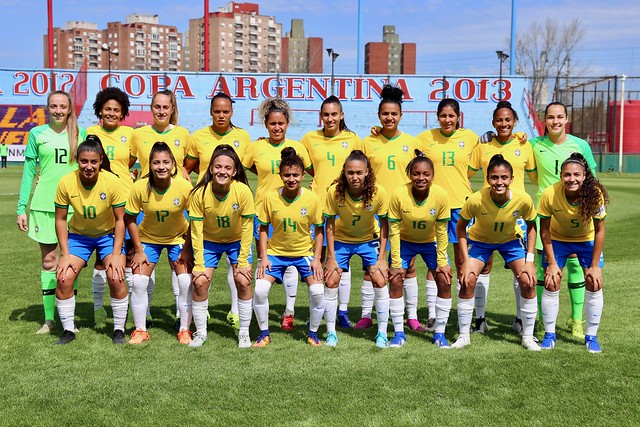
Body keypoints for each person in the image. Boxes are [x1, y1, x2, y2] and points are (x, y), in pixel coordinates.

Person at [16, 90, 85, 334]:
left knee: (71, 263)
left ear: (69, 109)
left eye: (62, 106)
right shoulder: (36, 134)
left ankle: (70, 319)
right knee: (49, 261)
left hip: (73, 208)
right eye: (53, 106)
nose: (58, 111)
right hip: (44, 206)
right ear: (48, 108)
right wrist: (21, 208)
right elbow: (28, 173)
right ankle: (49, 320)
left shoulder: (80, 134)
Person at [455, 154, 540, 351]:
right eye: (494, 177)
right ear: (488, 178)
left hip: (510, 241)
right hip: (480, 242)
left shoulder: (523, 199)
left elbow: (532, 225)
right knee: (467, 279)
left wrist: (530, 259)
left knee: (527, 280)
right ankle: (464, 336)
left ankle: (528, 336)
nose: (499, 182)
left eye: (504, 178)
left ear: (511, 179)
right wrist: (466, 261)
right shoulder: (476, 199)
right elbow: (460, 228)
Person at [242, 97, 312, 331]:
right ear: (266, 124)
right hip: (264, 211)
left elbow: (310, 170)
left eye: (281, 123)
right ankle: (262, 311)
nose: (277, 128)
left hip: (292, 211)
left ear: (287, 123)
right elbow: (249, 167)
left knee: (292, 262)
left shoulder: (298, 147)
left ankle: (289, 312)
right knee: (268, 262)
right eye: (272, 124)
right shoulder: (257, 146)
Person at [467, 101, 537, 334]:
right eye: (499, 120)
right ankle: (480, 320)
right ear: (493, 122)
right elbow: (463, 174)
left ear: (515, 121)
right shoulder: (484, 144)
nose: (504, 123)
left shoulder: (524, 144)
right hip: (488, 212)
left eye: (508, 120)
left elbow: (537, 176)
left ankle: (519, 319)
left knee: (520, 271)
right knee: (483, 267)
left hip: (516, 213)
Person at [530, 101, 598, 338]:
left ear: (566, 119)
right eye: (550, 117)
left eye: (559, 117)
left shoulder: (581, 145)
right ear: (544, 120)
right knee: (544, 269)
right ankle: (541, 319)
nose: (555, 121)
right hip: (547, 214)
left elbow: (593, 179)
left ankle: (576, 321)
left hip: (577, 214)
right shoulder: (533, 145)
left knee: (576, 268)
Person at [185, 92, 252, 331]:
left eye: (225, 111)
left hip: (233, 217)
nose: (221, 115)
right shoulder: (199, 137)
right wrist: (189, 186)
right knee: (200, 278)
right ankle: (199, 325)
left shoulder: (243, 137)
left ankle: (237, 315)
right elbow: (186, 168)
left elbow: (254, 165)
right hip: (208, 209)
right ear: (211, 112)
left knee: (241, 276)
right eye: (217, 111)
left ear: (231, 112)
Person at [52, 135, 128, 344]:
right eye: (84, 161)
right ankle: (68, 330)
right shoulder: (67, 181)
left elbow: (120, 220)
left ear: (101, 160)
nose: (88, 166)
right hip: (79, 236)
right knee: (64, 277)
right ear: (77, 159)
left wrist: (115, 254)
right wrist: (65, 255)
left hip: (108, 236)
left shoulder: (112, 181)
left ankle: (119, 329)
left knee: (116, 275)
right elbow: (60, 219)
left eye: (93, 161)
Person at [359, 84, 420, 331]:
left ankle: (412, 316)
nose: (389, 117)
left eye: (394, 114)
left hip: (404, 211)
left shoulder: (412, 144)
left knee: (409, 264)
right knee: (371, 265)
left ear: (401, 115)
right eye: (385, 113)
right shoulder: (368, 142)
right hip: (375, 211)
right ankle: (365, 314)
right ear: (379, 115)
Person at [130, 89, 192, 327]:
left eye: (166, 107)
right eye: (157, 106)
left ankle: (181, 315)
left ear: (173, 109)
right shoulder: (138, 135)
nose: (162, 111)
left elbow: (189, 165)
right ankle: (143, 315)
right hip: (148, 202)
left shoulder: (183, 134)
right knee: (145, 263)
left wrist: (185, 175)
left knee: (181, 270)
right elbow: (125, 162)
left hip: (176, 203)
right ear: (151, 108)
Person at [301, 95, 363, 329]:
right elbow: (308, 168)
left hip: (344, 207)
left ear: (341, 115)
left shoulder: (353, 139)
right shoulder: (310, 138)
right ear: (321, 116)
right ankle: (316, 311)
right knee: (316, 261)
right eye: (325, 115)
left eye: (334, 114)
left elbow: (361, 167)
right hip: (317, 206)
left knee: (340, 262)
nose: (330, 118)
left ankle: (343, 312)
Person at [253, 147, 325, 347]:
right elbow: (263, 228)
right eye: (287, 175)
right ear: (280, 175)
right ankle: (264, 334)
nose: (291, 179)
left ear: (303, 175)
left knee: (318, 292)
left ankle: (313, 334)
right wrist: (264, 257)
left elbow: (320, 230)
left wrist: (317, 259)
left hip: (304, 254)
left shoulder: (312, 199)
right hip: (275, 254)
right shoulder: (270, 197)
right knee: (259, 290)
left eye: (295, 175)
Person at [418, 98, 479, 332]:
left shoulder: (471, 138)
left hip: (461, 206)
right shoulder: (425, 138)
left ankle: (465, 314)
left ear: (458, 117)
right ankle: (433, 314)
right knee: (437, 262)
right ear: (437, 116)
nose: (447, 120)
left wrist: (519, 137)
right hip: (434, 207)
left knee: (465, 261)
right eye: (443, 116)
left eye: (451, 116)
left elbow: (492, 143)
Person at [124, 142, 193, 345]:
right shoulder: (139, 188)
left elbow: (196, 218)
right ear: (149, 164)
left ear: (173, 164)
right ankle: (140, 330)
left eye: (165, 162)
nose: (161, 167)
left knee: (185, 282)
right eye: (156, 162)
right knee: (138, 282)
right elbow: (129, 218)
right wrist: (138, 250)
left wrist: (188, 249)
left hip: (178, 239)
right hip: (148, 239)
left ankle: (184, 329)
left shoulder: (183, 186)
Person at [538, 153, 608, 353]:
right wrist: (551, 262)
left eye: (577, 174)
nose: (572, 179)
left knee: (594, 283)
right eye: (567, 175)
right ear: (560, 176)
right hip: (558, 240)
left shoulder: (594, 194)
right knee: (552, 281)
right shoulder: (550, 194)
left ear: (585, 176)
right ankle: (549, 334)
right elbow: (544, 230)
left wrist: (594, 266)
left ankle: (591, 337)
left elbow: (600, 229)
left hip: (586, 240)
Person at [189, 144, 255, 348]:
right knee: (199, 282)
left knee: (243, 281)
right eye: (218, 166)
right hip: (209, 242)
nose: (222, 171)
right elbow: (196, 232)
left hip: (236, 241)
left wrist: (243, 261)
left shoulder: (242, 191)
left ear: (234, 171)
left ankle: (244, 332)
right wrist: (199, 264)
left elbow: (247, 229)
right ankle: (200, 333)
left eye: (227, 168)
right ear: (210, 169)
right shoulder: (199, 193)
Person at [323, 150, 389, 348]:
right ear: (344, 172)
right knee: (332, 278)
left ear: (367, 172)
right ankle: (331, 332)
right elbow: (329, 224)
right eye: (350, 172)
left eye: (359, 172)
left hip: (368, 239)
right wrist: (331, 257)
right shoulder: (334, 191)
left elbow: (385, 224)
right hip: (342, 240)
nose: (355, 177)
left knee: (379, 278)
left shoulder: (378, 192)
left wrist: (382, 258)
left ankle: (382, 333)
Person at [388, 151, 454, 348]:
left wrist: (442, 261)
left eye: (426, 174)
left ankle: (439, 334)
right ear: (410, 175)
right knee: (396, 279)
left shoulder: (441, 195)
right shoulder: (399, 194)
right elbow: (394, 230)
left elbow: (442, 231)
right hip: (405, 242)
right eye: (416, 173)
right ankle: (399, 333)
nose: (421, 178)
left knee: (444, 279)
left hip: (430, 242)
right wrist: (396, 263)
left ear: (433, 175)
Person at [86, 87, 135, 328]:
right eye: (108, 109)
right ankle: (97, 309)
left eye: (116, 110)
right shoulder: (91, 132)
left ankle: (130, 311)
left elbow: (132, 161)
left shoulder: (130, 134)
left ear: (123, 112)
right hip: (100, 204)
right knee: (101, 259)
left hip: (126, 202)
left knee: (129, 259)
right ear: (100, 110)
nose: (112, 113)